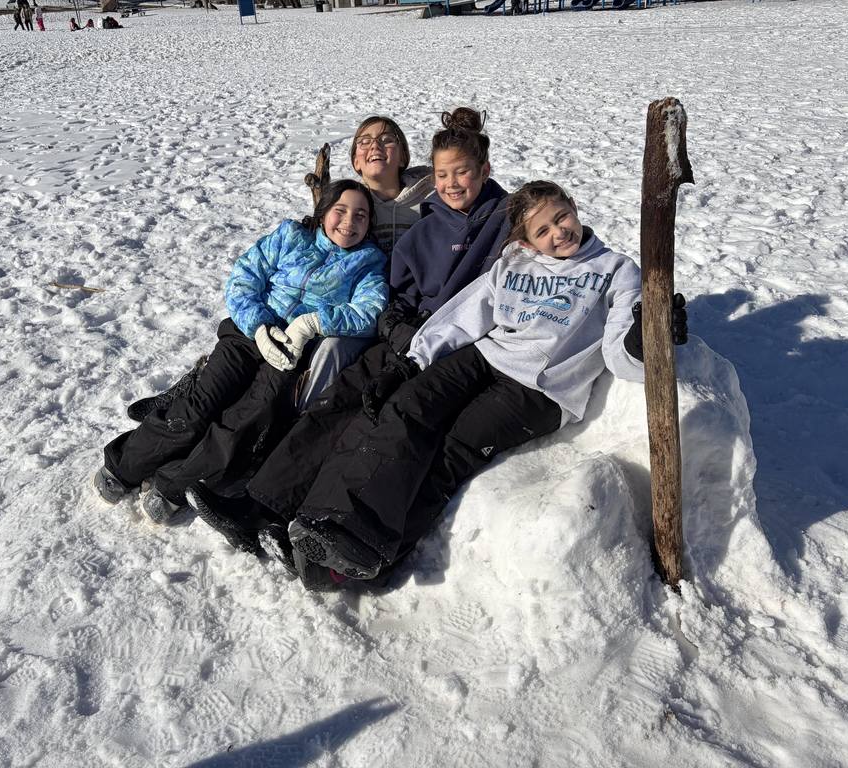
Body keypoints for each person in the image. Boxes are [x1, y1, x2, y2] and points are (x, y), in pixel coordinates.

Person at [283, 180, 690, 582]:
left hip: (539, 390)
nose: (558, 232)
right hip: (484, 357)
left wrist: (646, 338)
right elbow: (463, 316)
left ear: (574, 205)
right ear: (528, 242)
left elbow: (623, 357)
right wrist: (412, 363)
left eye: (562, 217)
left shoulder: (616, 271)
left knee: (449, 452)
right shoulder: (513, 262)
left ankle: (367, 556)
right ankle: (327, 519)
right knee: (404, 408)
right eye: (543, 230)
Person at [193, 107, 510, 570]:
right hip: (401, 333)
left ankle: (302, 516)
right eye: (443, 174)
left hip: (454, 345)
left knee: (373, 414)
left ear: (485, 170)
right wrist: (395, 327)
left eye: (462, 171)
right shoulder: (425, 224)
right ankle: (263, 505)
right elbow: (395, 292)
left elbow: (560, 235)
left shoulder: (505, 215)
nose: (451, 182)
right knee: (340, 399)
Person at [94, 180, 388, 525]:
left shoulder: (369, 263)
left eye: (361, 215)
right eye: (340, 210)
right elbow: (244, 277)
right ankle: (126, 464)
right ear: (323, 211)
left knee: (243, 421)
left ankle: (175, 484)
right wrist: (259, 326)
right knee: (199, 406)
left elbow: (370, 310)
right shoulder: (291, 236)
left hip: (290, 352)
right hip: (248, 336)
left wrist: (312, 323)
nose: (349, 222)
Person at [125, 115, 432, 424]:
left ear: (403, 155)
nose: (375, 146)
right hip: (340, 302)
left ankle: (296, 423)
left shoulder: (428, 198)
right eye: (364, 141)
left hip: (386, 308)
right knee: (268, 320)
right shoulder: (351, 200)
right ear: (355, 160)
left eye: (386, 139)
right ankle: (198, 385)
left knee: (328, 350)